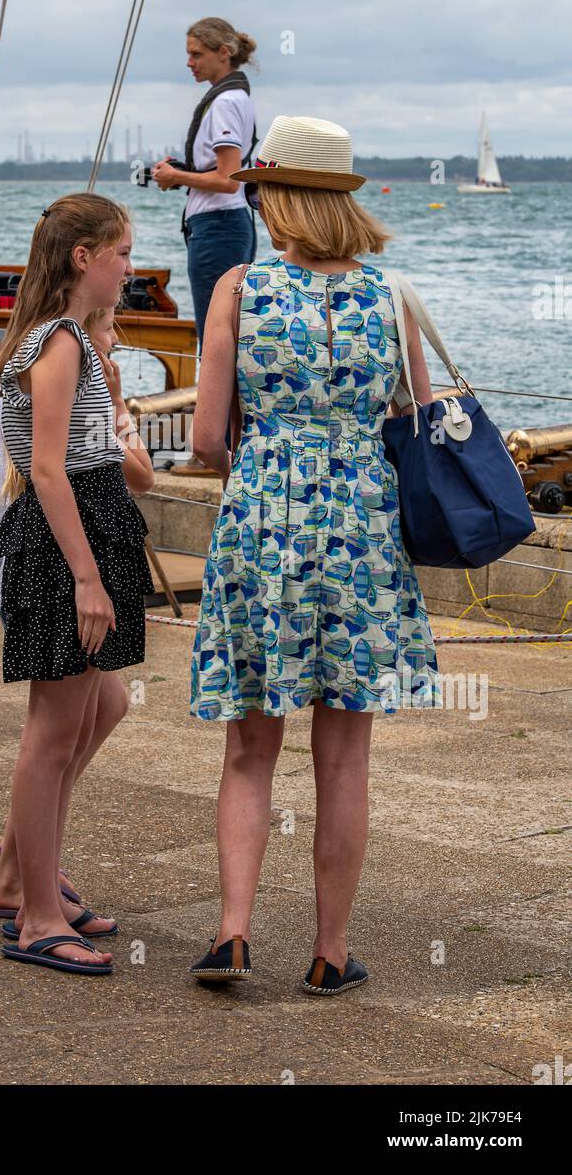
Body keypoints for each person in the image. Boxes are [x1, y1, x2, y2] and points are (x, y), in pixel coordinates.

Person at [186, 115, 440, 994]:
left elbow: (208, 437)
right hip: (364, 528)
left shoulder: (236, 290)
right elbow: (418, 419)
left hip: (263, 520)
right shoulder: (391, 295)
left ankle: (231, 936)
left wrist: (273, 445)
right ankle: (330, 954)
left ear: (277, 194)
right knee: (344, 757)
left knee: (251, 748)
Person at [0, 196, 156, 976]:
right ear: (84, 258)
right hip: (69, 539)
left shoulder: (75, 344)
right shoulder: (56, 344)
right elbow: (47, 468)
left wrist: (115, 400)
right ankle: (36, 915)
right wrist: (87, 577)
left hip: (92, 519)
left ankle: (21, 876)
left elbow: (119, 467)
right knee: (51, 734)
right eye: (121, 251)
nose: (131, 265)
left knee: (101, 702)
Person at [151, 17, 259, 357]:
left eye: (196, 54)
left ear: (223, 53)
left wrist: (175, 177)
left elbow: (227, 181)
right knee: (228, 330)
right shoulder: (238, 98)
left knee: (214, 336)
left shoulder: (225, 103)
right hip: (231, 223)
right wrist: (187, 171)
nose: (189, 63)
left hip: (218, 226)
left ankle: (211, 408)